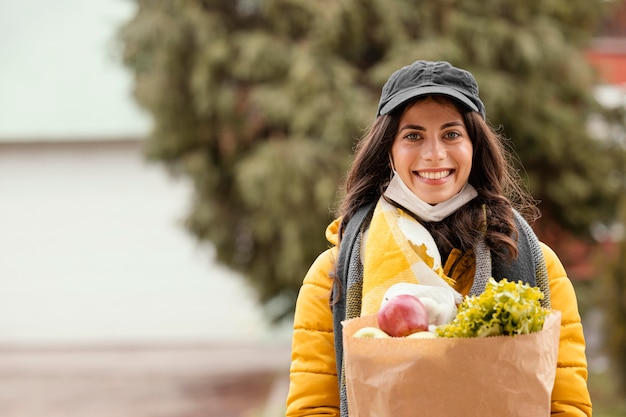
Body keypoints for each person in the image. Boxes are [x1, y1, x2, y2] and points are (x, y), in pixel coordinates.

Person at [284, 60, 592, 416]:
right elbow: (313, 408)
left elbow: (567, 406)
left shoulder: (540, 266)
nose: (434, 154)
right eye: (413, 136)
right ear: (389, 151)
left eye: (451, 134)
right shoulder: (332, 272)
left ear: (473, 147)